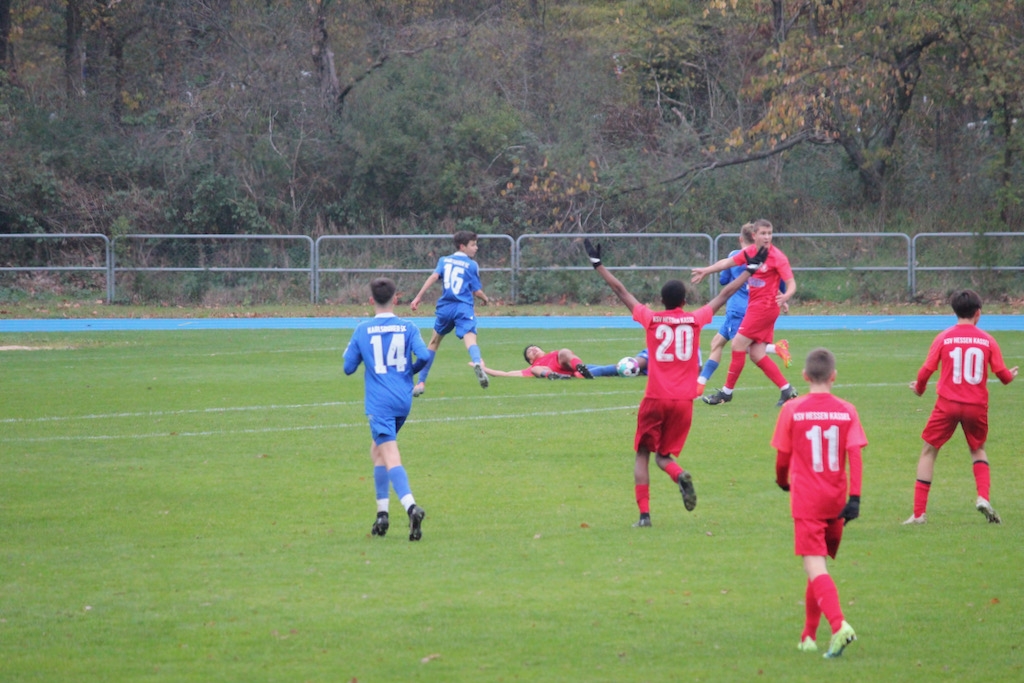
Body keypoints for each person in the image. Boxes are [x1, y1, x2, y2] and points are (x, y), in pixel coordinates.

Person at [584, 237, 765, 527]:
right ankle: (679, 474)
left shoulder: (651, 319)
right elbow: (725, 294)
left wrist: (598, 265)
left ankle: (644, 516)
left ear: (661, 301)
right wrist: (750, 270)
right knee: (664, 456)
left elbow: (621, 290)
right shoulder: (695, 319)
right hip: (684, 402)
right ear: (684, 301)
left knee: (643, 453)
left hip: (656, 397)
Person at [772, 347, 865, 658]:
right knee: (818, 566)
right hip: (837, 500)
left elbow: (782, 457)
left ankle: (839, 626)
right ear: (833, 376)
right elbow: (855, 453)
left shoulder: (792, 409)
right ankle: (808, 636)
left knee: (814, 565)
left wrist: (782, 481)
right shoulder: (847, 410)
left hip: (807, 500)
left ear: (804, 376)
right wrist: (855, 497)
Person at [903, 289, 1018, 525]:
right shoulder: (987, 340)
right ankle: (983, 497)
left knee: (929, 451)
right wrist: (1011, 375)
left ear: (954, 311)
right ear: (978, 313)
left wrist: (920, 389)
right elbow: (1002, 376)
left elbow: (926, 370)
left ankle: (919, 514)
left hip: (947, 404)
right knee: (978, 449)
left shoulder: (944, 338)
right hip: (976, 406)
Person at [344, 277, 433, 541]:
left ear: (371, 300)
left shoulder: (362, 329)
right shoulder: (408, 327)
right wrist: (409, 371)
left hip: (380, 402)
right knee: (378, 450)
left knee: (390, 454)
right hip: (403, 399)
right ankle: (382, 514)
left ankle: (411, 507)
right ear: (396, 299)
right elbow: (424, 356)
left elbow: (348, 368)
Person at [691, 219, 798, 407]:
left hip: (764, 308)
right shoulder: (750, 252)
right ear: (754, 235)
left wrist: (786, 296)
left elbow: (791, 283)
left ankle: (726, 392)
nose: (767, 237)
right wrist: (706, 271)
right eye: (763, 233)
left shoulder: (777, 257)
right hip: (755, 307)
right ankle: (786, 389)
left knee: (737, 344)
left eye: (769, 233)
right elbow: (727, 263)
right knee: (756, 354)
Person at [409, 230, 491, 395]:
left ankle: (420, 383)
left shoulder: (444, 260)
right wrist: (486, 299)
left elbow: (433, 277)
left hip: (445, 307)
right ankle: (477, 362)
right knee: (470, 338)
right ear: (462, 246)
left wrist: (418, 297)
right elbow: (476, 291)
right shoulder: (472, 265)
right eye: (473, 245)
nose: (476, 248)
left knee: (433, 343)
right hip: (463, 307)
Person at [480, 345, 595, 379]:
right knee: (535, 370)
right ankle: (553, 376)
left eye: (535, 347)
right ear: (530, 360)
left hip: (566, 365)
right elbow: (506, 374)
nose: (533, 349)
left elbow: (565, 355)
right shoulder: (534, 366)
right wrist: (483, 369)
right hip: (551, 371)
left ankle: (580, 367)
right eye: (529, 351)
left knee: (564, 351)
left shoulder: (554, 353)